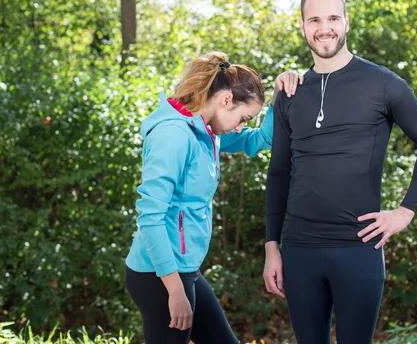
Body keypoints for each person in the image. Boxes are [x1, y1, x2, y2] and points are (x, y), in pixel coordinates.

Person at [264, 0, 417, 344]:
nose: (324, 28)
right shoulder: (289, 93)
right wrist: (272, 247)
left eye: (333, 17)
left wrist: (404, 213)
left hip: (358, 249)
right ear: (302, 26)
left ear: (346, 22)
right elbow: (279, 170)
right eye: (314, 20)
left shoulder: (383, 84)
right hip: (299, 250)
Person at [125, 51, 301, 344]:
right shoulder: (174, 135)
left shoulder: (207, 133)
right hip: (158, 275)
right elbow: (150, 217)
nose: (241, 126)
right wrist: (175, 290)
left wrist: (278, 97)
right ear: (226, 100)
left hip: (184, 270)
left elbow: (261, 140)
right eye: (243, 118)